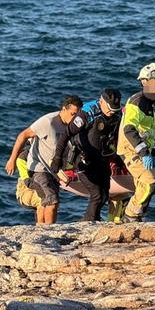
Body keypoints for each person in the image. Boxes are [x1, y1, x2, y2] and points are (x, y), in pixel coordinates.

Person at [5, 95, 83, 224]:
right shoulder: (48, 121)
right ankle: (50, 233)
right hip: (38, 169)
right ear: (64, 109)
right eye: (72, 114)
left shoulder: (74, 125)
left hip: (54, 170)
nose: (74, 118)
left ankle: (41, 231)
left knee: (46, 202)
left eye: (77, 114)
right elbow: (23, 135)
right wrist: (12, 159)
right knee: (52, 201)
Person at [51, 88, 123, 221]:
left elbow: (118, 136)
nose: (111, 113)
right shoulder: (87, 113)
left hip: (102, 158)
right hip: (83, 158)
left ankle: (92, 220)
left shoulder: (118, 114)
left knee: (104, 194)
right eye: (109, 109)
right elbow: (66, 134)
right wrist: (57, 159)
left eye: (114, 110)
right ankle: (89, 224)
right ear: (101, 101)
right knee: (96, 195)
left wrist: (118, 158)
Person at [116, 63, 155, 222]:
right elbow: (129, 129)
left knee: (150, 185)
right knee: (149, 183)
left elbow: (152, 132)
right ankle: (129, 216)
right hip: (132, 149)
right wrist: (144, 152)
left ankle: (136, 217)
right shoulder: (137, 102)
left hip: (145, 151)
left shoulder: (153, 104)